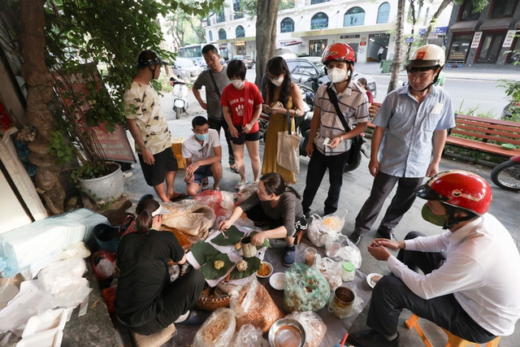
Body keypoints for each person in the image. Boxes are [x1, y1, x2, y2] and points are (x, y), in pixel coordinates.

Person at [347, 170, 520, 347]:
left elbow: (425, 289)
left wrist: (389, 258)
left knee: (387, 286)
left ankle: (385, 338)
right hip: (468, 291)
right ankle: (393, 301)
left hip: (476, 320)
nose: (427, 206)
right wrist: (400, 245)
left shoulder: (475, 254)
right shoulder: (476, 219)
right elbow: (442, 241)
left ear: (458, 213)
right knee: (413, 238)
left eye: (432, 203)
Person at [349, 44, 455, 246]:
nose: (415, 80)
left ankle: (387, 227)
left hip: (418, 164)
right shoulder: (394, 97)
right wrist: (374, 158)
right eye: (412, 73)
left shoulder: (443, 99)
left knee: (404, 201)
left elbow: (441, 130)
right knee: (376, 198)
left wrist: (436, 161)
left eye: (422, 75)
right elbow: (379, 128)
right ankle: (360, 229)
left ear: (436, 72)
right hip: (390, 161)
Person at [115, 197, 205, 340]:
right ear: (158, 219)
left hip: (121, 314)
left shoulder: (126, 240)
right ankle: (182, 316)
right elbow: (182, 260)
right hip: (147, 323)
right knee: (197, 277)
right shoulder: (165, 237)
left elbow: (121, 267)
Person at [302, 43, 369, 217]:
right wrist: (309, 142)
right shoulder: (323, 89)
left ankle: (328, 215)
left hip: (340, 150)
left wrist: (343, 137)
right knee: (311, 183)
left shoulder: (359, 95)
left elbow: (363, 125)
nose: (334, 70)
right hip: (318, 146)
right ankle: (303, 210)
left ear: (350, 67)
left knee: (335, 185)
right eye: (330, 67)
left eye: (339, 65)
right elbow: (316, 117)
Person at [124, 50, 187, 203]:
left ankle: (170, 192)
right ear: (151, 67)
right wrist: (144, 149)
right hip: (150, 145)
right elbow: (131, 122)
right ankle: (165, 200)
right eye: (159, 67)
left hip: (164, 139)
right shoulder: (132, 91)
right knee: (156, 176)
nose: (160, 70)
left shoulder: (148, 84)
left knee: (172, 166)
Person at [219, 173, 307, 266]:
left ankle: (290, 246)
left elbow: (288, 228)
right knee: (251, 209)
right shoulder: (261, 194)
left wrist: (263, 234)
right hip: (273, 215)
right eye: (259, 188)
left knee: (289, 229)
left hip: (291, 221)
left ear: (272, 195)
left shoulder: (289, 199)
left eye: (261, 191)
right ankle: (265, 223)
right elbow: (242, 206)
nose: (257, 192)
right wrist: (230, 221)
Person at [193, 45, 238, 174]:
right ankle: (215, 164)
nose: (210, 62)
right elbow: (195, 88)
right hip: (213, 116)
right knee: (212, 143)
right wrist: (201, 102)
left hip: (229, 116)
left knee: (231, 140)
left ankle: (233, 162)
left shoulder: (229, 72)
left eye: (212, 58)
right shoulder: (205, 75)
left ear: (218, 56)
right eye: (207, 60)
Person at [220, 59, 264, 190]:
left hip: (251, 128)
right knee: (238, 157)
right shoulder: (227, 90)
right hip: (235, 128)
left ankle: (256, 180)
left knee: (254, 156)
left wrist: (251, 123)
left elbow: (259, 108)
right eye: (232, 78)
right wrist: (231, 127)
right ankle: (243, 178)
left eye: (238, 77)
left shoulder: (252, 88)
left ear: (243, 76)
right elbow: (226, 111)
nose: (235, 80)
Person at [261, 57, 305, 185]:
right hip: (273, 126)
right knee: (273, 155)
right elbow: (267, 105)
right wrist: (266, 107)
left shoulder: (293, 88)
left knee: (286, 157)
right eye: (270, 76)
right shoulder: (270, 87)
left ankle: (285, 185)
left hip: (287, 126)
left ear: (284, 72)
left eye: (276, 76)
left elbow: (300, 112)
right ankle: (273, 183)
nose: (274, 79)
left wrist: (283, 111)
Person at [182, 116, 222, 195]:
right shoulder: (187, 143)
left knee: (217, 165)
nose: (203, 133)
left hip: (209, 164)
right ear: (193, 130)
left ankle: (216, 185)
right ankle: (203, 179)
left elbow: (218, 156)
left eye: (205, 130)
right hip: (196, 168)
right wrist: (187, 175)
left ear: (208, 127)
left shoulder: (213, 133)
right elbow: (188, 163)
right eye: (199, 131)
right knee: (191, 191)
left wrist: (198, 163)